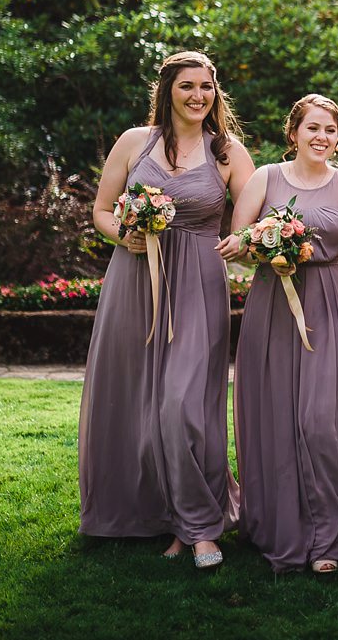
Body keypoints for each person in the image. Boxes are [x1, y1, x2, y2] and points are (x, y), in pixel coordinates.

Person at [79, 50, 255, 569]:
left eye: (206, 86)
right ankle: (161, 517)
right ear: (167, 91)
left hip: (199, 283)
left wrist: (245, 243)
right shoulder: (136, 143)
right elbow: (101, 210)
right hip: (134, 281)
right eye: (187, 87)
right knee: (137, 402)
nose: (198, 96)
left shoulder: (228, 154)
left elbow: (250, 222)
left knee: (184, 406)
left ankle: (201, 528)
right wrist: (126, 234)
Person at [220, 94, 338, 574]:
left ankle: (328, 536)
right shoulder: (265, 177)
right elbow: (237, 242)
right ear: (294, 132)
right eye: (313, 129)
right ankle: (278, 526)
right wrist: (265, 244)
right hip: (273, 305)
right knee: (277, 418)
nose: (322, 137)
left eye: (330, 130)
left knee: (320, 421)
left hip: (327, 302)